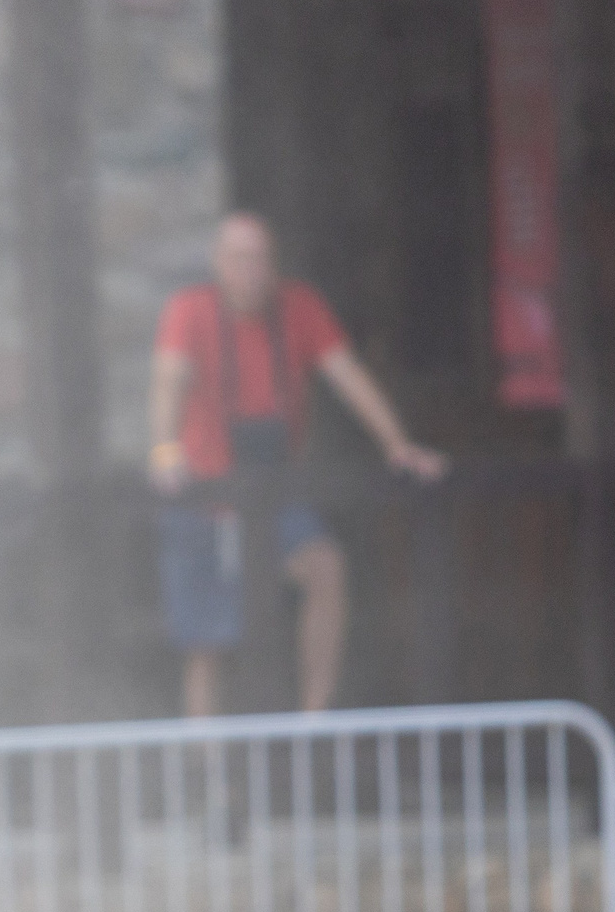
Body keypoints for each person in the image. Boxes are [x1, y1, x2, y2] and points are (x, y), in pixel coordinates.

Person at [148, 211, 446, 718]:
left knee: (326, 567)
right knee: (207, 648)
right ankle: (209, 773)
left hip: (273, 494)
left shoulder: (300, 308)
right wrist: (164, 450)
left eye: (261, 258)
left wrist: (397, 444)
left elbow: (346, 374)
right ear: (218, 264)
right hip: (204, 500)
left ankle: (315, 717)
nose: (251, 270)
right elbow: (168, 382)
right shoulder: (189, 310)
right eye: (240, 258)